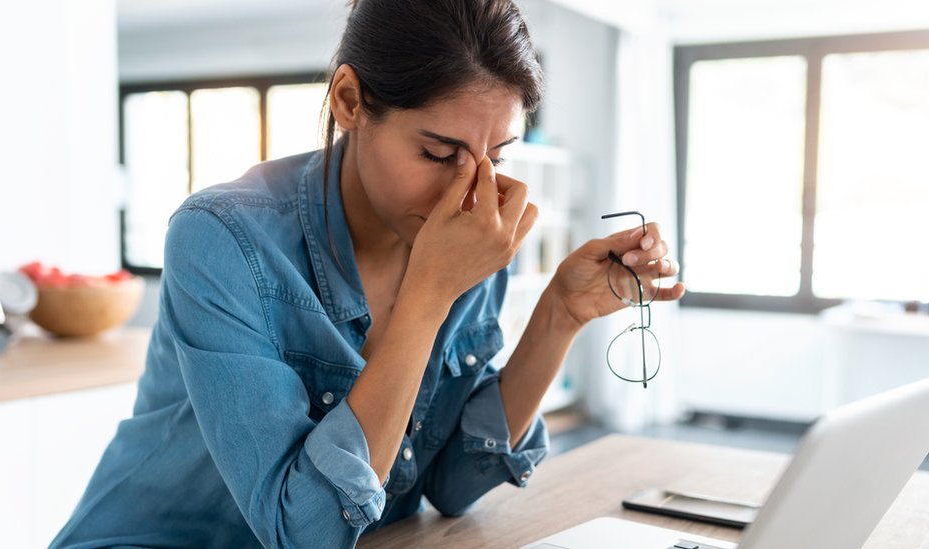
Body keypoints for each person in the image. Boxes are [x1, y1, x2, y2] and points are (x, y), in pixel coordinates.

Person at [50, 0, 685, 547]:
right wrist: (428, 294)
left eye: (496, 156)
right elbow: (306, 533)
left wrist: (559, 315)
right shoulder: (222, 238)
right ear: (350, 100)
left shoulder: (463, 235)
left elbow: (454, 485)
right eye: (438, 153)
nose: (471, 191)